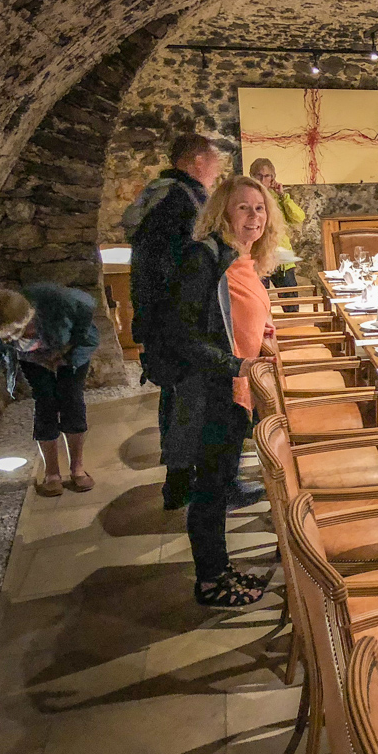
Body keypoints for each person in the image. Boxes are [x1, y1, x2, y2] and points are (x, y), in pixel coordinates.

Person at [165, 175, 278, 607]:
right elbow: (183, 336)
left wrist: (262, 332)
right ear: (223, 212)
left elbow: (238, 316)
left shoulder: (242, 259)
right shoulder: (205, 259)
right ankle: (210, 580)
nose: (254, 216)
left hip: (236, 389)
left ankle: (220, 569)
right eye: (243, 207)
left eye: (260, 208)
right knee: (210, 489)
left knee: (220, 482)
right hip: (214, 390)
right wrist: (237, 365)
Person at [129, 133, 222, 509]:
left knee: (179, 398)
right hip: (178, 321)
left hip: (167, 320)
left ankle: (181, 480)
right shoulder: (178, 200)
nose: (217, 168)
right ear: (197, 161)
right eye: (214, 160)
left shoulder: (166, 194)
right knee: (190, 400)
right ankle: (184, 484)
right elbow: (177, 268)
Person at [0, 285, 100, 496]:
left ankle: (77, 468)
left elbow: (86, 310)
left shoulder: (53, 298)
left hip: (71, 352)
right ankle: (52, 473)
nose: (16, 338)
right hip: (33, 361)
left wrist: (70, 351)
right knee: (45, 402)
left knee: (72, 399)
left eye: (19, 332)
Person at [249, 158, 306, 311]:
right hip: (259, 256)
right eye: (259, 175)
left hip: (282, 258)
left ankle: (293, 325)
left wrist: (283, 196)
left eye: (267, 176)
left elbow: (299, 217)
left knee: (291, 304)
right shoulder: (247, 197)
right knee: (259, 305)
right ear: (252, 176)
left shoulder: (278, 198)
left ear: (273, 178)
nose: (262, 180)